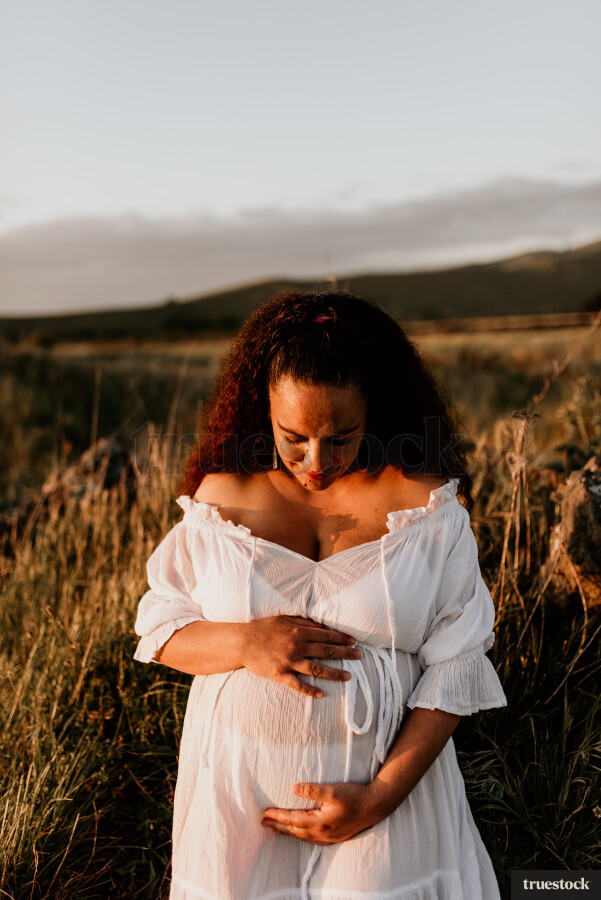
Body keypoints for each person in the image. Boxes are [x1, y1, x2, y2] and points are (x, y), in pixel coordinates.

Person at [133, 290, 507, 900]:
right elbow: (160, 629)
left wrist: (379, 799)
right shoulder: (221, 497)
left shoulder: (426, 508)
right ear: (264, 410)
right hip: (238, 808)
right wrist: (245, 642)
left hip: (388, 809)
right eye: (294, 436)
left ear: (375, 410)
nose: (316, 461)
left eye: (342, 437)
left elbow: (457, 665)